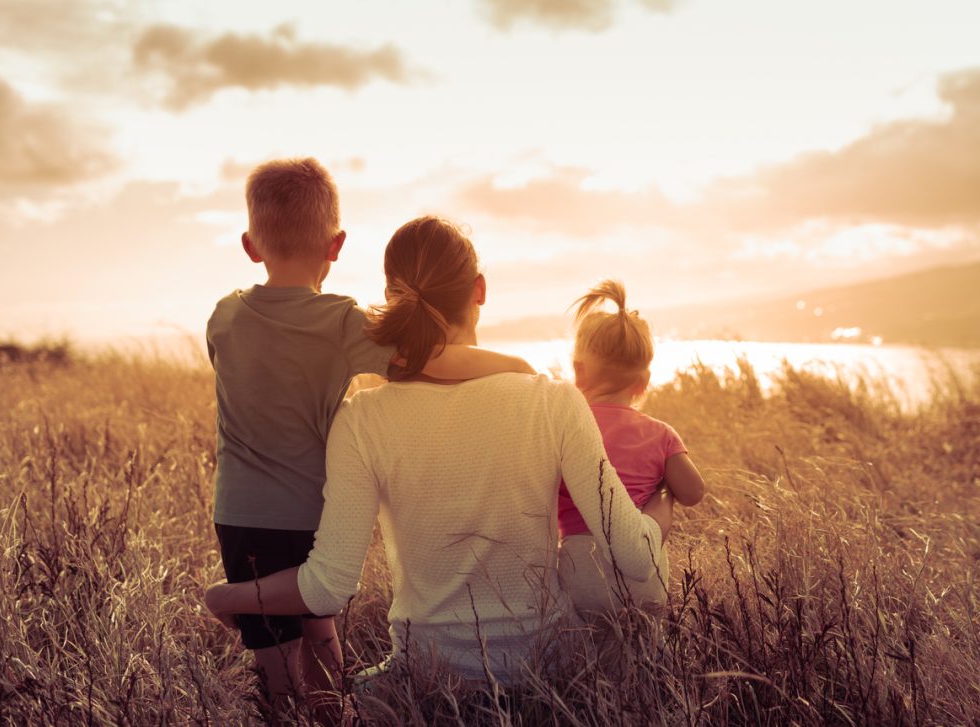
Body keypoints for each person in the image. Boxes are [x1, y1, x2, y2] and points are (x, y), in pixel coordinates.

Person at [205, 216, 671, 685]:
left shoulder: (362, 418)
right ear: (480, 290)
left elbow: (328, 589)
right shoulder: (553, 400)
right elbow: (635, 558)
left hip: (423, 680)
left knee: (358, 696)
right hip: (549, 675)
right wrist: (660, 506)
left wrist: (227, 597)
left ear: (391, 301)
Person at [207, 162, 533, 702]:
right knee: (320, 627)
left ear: (250, 245)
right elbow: (424, 364)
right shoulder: (340, 321)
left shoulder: (223, 315)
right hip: (311, 507)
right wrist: (513, 365)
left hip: (240, 512)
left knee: (276, 657)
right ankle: (335, 714)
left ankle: (280, 701)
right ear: (336, 246)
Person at [557, 281, 706, 613]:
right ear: (645, 381)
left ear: (578, 372)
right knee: (645, 651)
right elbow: (694, 493)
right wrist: (664, 486)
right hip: (643, 564)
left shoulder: (563, 431)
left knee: (582, 653)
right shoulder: (660, 434)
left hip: (578, 566)